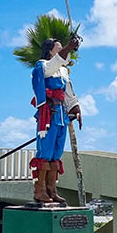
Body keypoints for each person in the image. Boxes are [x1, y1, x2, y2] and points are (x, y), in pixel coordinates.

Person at [30, 36, 82, 205]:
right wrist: (69, 48)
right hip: (48, 114)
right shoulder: (42, 65)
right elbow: (51, 67)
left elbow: (68, 93)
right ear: (51, 51)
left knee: (56, 152)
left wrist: (76, 108)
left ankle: (52, 189)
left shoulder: (63, 72)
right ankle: (40, 190)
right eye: (59, 49)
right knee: (44, 152)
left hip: (61, 115)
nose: (62, 52)